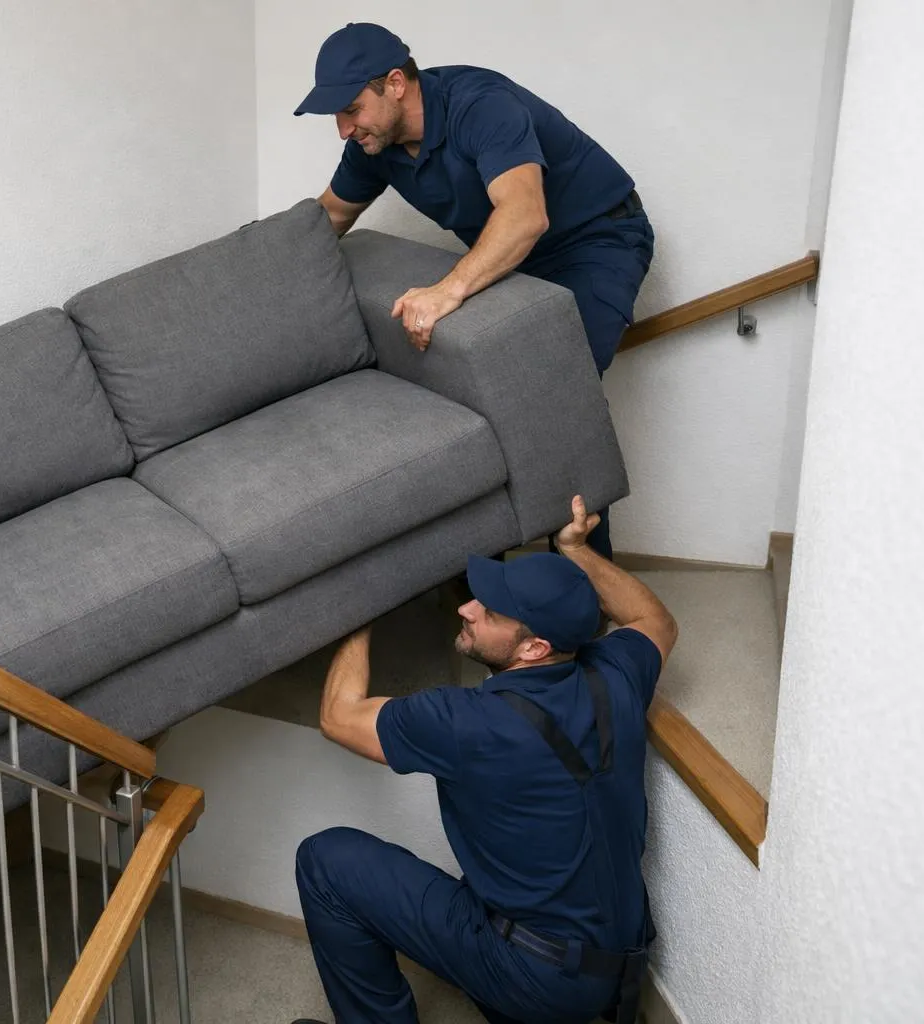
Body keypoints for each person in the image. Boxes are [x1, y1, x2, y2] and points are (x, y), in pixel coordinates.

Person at [291, 496, 677, 1024]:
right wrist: (576, 549)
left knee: (325, 862)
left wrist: (360, 614)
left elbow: (339, 716)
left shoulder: (465, 721)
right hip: (617, 967)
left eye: (489, 612)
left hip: (538, 976)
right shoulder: (615, 675)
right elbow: (654, 618)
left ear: (534, 648)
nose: (466, 608)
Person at [294, 23, 653, 560]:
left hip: (596, 242)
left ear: (395, 83)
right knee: (471, 391)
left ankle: (586, 590)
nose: (344, 129)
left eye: (351, 109)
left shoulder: (481, 106)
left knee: (558, 396)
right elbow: (330, 216)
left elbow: (525, 215)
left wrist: (447, 292)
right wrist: (254, 276)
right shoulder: (376, 145)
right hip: (513, 256)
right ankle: (486, 578)